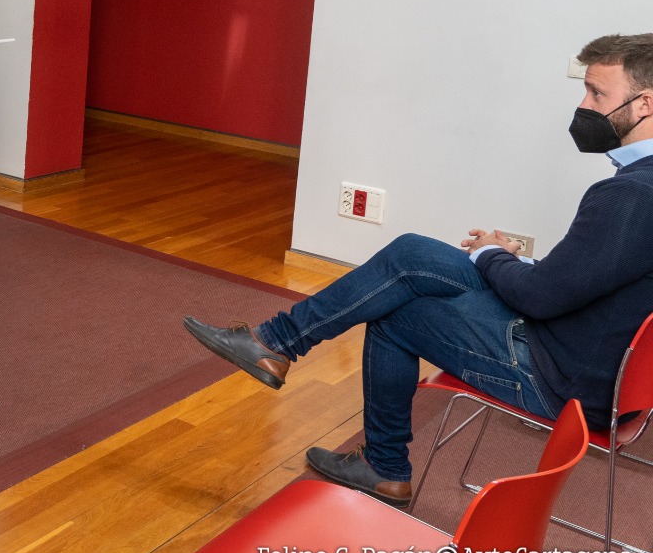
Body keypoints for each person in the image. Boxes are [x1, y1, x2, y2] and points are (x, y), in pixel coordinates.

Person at [183, 32, 653, 507]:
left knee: (394, 316)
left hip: (562, 376)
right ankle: (275, 344)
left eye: (596, 93)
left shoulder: (632, 195)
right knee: (412, 255)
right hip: (588, 355)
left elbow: (541, 297)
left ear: (645, 104)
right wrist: (512, 260)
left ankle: (383, 467)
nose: (583, 105)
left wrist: (492, 255)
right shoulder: (641, 184)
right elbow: (597, 275)